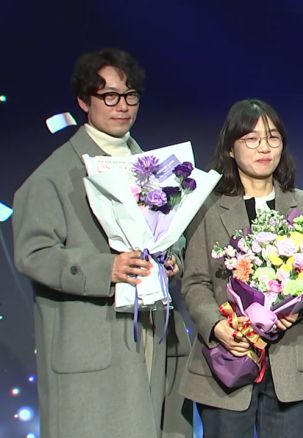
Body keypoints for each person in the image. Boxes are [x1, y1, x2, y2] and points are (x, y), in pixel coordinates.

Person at [12, 48, 192, 438]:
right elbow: (33, 254)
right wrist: (106, 268)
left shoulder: (152, 165)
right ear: (84, 100)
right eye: (109, 96)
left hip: (152, 329)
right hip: (95, 341)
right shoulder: (55, 175)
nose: (122, 106)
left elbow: (169, 233)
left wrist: (173, 257)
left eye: (130, 96)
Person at [179, 99, 303, 437]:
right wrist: (217, 327)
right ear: (231, 148)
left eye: (273, 138)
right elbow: (195, 281)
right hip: (229, 357)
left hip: (289, 361)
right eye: (251, 139)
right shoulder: (208, 207)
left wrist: (295, 311)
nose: (264, 148)